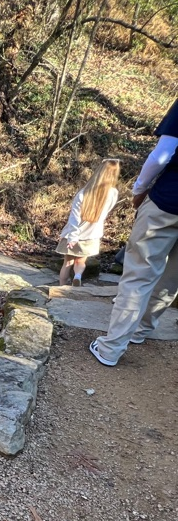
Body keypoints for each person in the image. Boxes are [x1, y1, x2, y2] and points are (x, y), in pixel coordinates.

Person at [90, 97, 178, 366]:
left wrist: (139, 189)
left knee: (139, 274)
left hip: (167, 200)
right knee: (172, 275)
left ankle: (111, 347)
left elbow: (163, 154)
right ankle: (141, 330)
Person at [56, 159, 120, 287]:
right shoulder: (113, 193)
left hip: (74, 234)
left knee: (67, 264)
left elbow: (74, 218)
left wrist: (73, 237)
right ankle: (78, 276)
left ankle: (61, 288)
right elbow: (106, 212)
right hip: (92, 234)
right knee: (81, 261)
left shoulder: (83, 193)